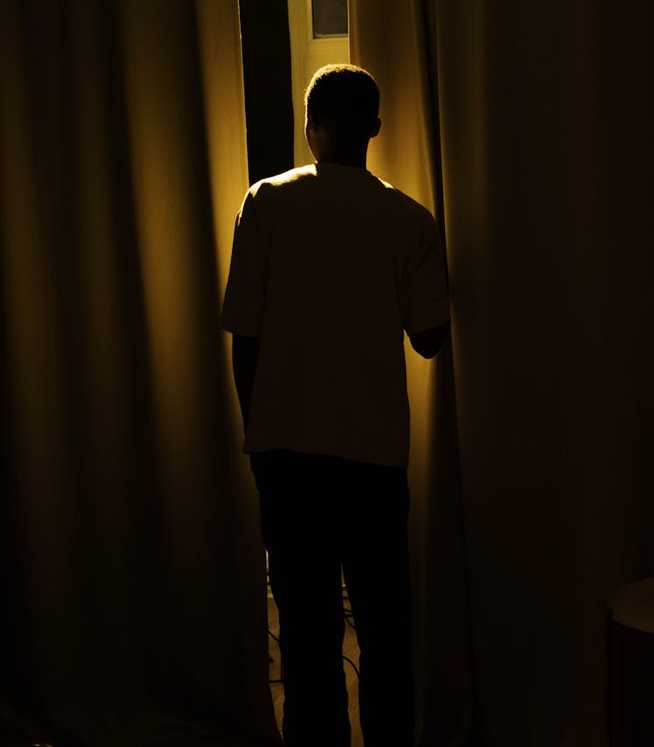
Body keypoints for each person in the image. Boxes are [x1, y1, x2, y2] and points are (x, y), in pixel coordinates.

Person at [220, 63, 450, 747]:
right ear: (375, 128)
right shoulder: (409, 220)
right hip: (372, 455)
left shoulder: (264, 204)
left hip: (288, 452)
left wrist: (256, 438)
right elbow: (431, 340)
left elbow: (246, 336)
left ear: (308, 125)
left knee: (306, 633)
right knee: (385, 631)